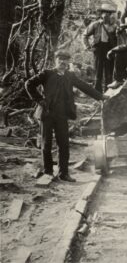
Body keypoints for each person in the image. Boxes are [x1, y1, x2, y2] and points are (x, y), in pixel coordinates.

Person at [25, 49, 104, 182]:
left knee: (64, 144)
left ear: (68, 62)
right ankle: (48, 172)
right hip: (47, 113)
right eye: (59, 59)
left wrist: (101, 97)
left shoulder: (70, 76)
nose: (62, 62)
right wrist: (39, 100)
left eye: (65, 60)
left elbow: (84, 87)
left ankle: (63, 173)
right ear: (55, 60)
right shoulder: (47, 73)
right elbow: (29, 84)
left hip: (62, 114)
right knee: (46, 143)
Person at [83, 3, 117, 92]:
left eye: (108, 13)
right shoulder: (95, 24)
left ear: (110, 15)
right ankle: (97, 93)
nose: (106, 15)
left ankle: (108, 92)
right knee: (98, 72)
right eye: (104, 13)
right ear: (101, 14)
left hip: (109, 50)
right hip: (98, 49)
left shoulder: (114, 26)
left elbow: (118, 38)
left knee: (109, 72)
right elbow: (85, 35)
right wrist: (88, 47)